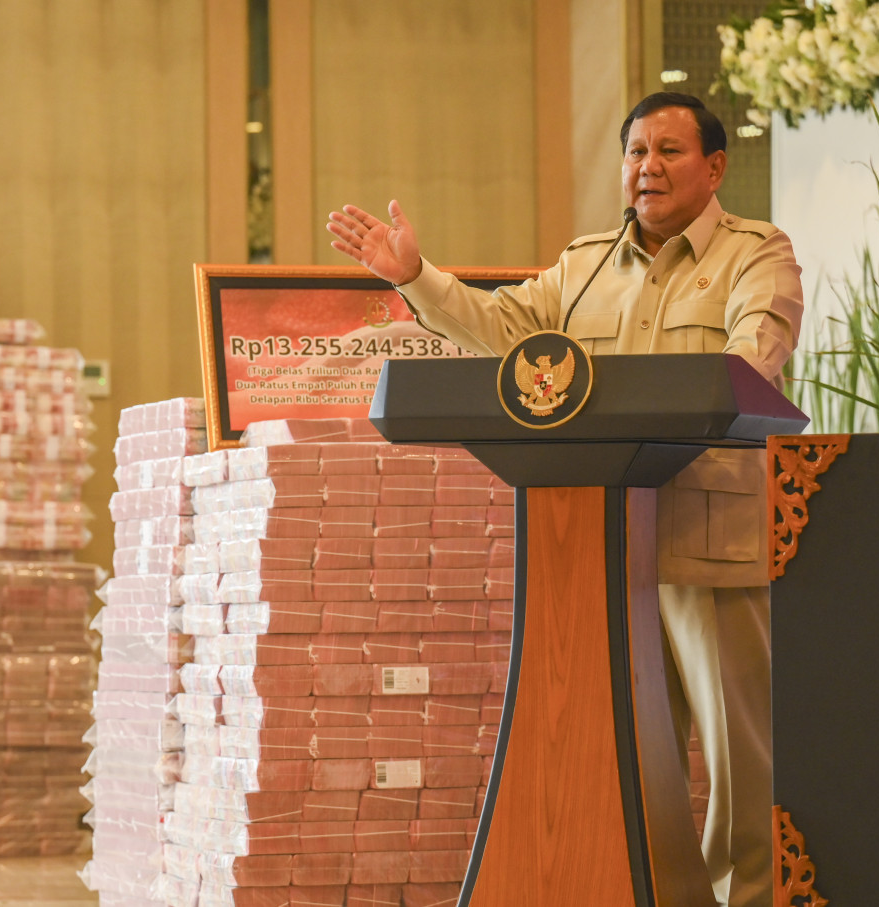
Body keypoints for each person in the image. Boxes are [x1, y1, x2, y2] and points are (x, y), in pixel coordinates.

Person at [327, 91, 802, 907]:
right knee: (625, 758)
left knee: (739, 763)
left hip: (708, 542)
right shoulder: (582, 268)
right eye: (636, 152)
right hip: (601, 550)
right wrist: (416, 277)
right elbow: (503, 330)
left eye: (669, 151)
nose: (647, 167)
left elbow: (752, 360)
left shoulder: (756, 253)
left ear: (715, 166)